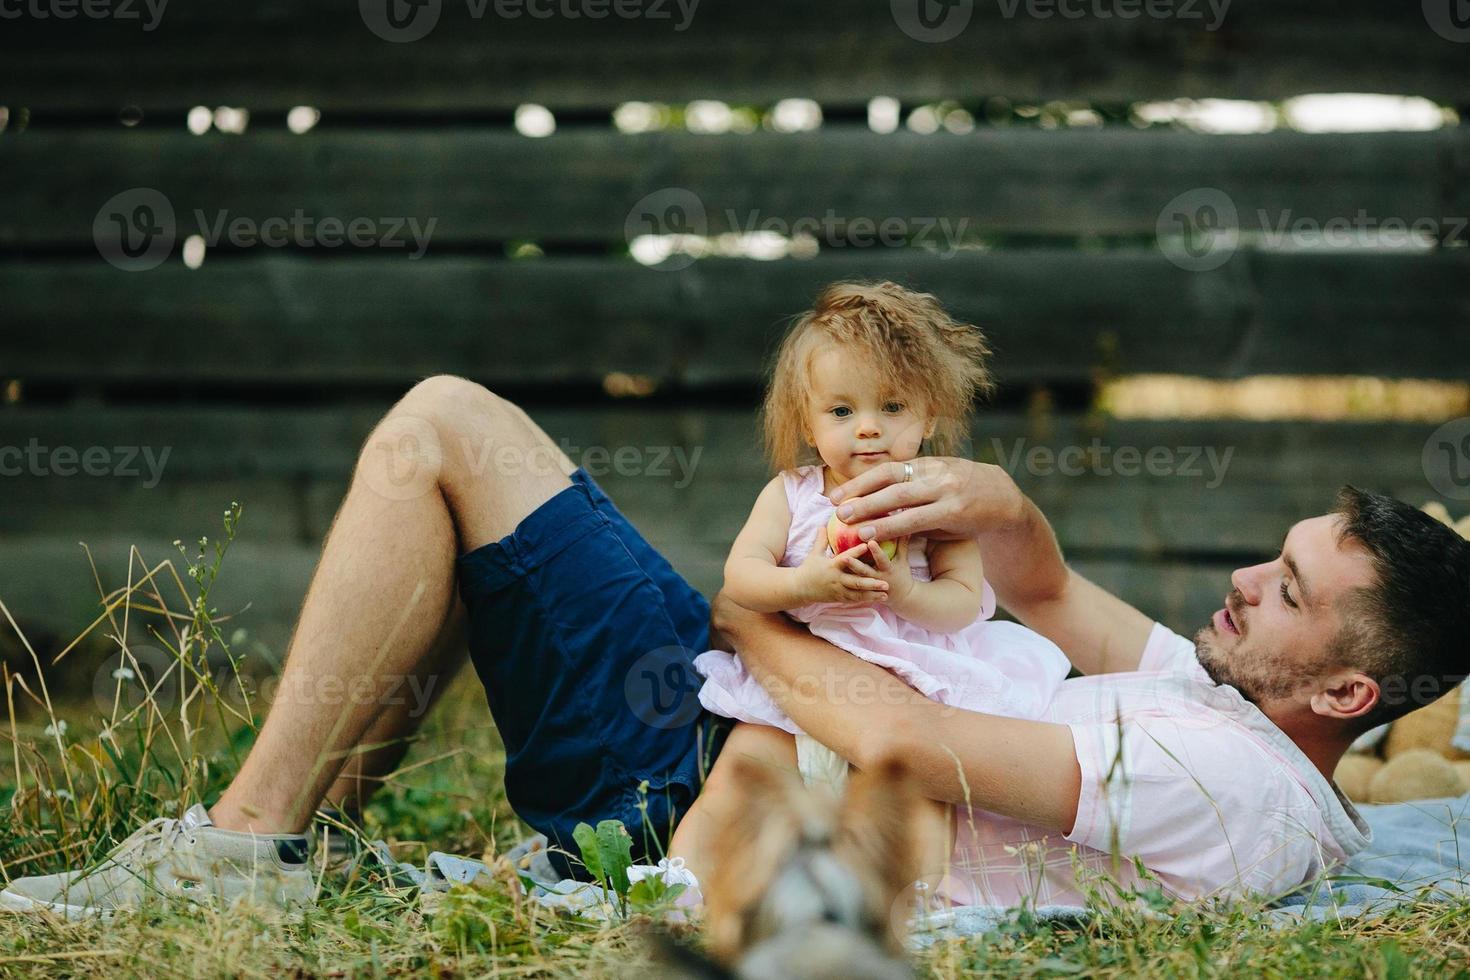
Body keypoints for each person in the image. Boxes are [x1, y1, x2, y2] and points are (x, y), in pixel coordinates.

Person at [3, 372, 1467, 917]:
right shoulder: (1220, 699)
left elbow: (903, 747)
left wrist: (760, 601)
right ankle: (281, 837)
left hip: (720, 785)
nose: (1235, 581)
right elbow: (1049, 586)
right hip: (750, 728)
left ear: (1345, 689)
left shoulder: (1229, 785)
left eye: (1278, 587)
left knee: (448, 430)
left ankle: (243, 842)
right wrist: (989, 502)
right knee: (463, 450)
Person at [674, 283, 1071, 883]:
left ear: (928, 415)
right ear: (807, 423)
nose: (868, 430)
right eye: (841, 411)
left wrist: (905, 591)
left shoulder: (933, 506)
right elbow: (742, 578)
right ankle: (678, 886)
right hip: (799, 692)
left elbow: (963, 604)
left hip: (908, 695)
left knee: (916, 804)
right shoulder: (792, 494)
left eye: (892, 407)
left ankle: (917, 911)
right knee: (740, 777)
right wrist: (805, 583)